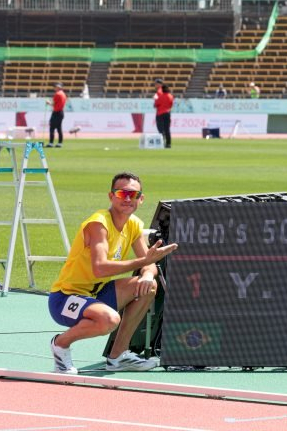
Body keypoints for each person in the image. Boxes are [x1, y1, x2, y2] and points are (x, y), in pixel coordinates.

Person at [48, 172, 178, 374]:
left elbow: (149, 264)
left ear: (141, 199)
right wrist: (144, 261)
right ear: (111, 196)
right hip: (65, 298)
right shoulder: (98, 224)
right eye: (122, 193)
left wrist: (146, 273)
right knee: (109, 320)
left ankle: (118, 356)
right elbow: (100, 268)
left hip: (96, 294)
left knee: (150, 286)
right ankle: (60, 344)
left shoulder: (133, 224)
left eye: (133, 194)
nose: (127, 199)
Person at [45, 82, 67, 148]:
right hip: (61, 112)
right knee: (59, 128)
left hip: (56, 112)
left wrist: (48, 102)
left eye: (55, 87)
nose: (54, 88)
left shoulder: (57, 94)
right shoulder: (63, 94)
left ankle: (51, 143)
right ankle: (60, 143)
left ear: (58, 87)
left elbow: (53, 104)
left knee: (52, 128)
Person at [155, 84, 174, 148]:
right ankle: (168, 144)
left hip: (160, 114)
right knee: (167, 129)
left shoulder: (160, 96)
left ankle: (161, 142)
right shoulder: (170, 96)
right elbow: (171, 105)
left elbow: (155, 104)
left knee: (160, 129)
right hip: (167, 113)